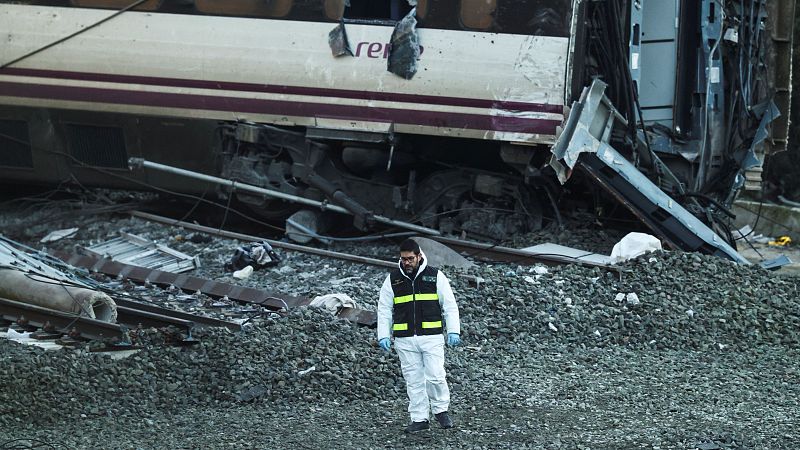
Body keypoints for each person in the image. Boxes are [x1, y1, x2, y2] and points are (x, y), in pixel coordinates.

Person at [377, 238, 461, 433]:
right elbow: (384, 309)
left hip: (431, 337)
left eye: (410, 259)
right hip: (405, 338)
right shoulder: (393, 279)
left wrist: (453, 330)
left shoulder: (435, 276)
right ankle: (419, 418)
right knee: (413, 380)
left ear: (419, 256)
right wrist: (383, 334)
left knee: (436, 376)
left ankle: (441, 411)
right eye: (403, 259)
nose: (406, 262)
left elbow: (449, 305)